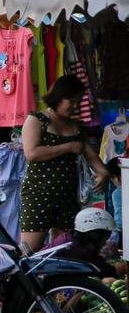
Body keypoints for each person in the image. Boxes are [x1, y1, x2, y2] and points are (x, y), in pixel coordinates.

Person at [21, 75, 110, 252]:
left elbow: (92, 158)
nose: (75, 106)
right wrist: (68, 146)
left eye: (78, 101)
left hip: (68, 198)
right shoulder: (37, 120)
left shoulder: (76, 127)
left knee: (62, 250)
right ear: (59, 97)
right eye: (71, 100)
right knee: (29, 251)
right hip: (38, 195)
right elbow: (32, 153)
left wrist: (103, 173)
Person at [56, 208, 120, 281]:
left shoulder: (70, 238)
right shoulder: (76, 249)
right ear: (95, 236)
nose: (105, 242)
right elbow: (107, 271)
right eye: (105, 239)